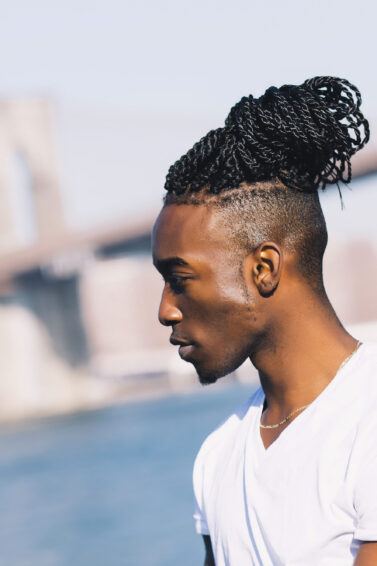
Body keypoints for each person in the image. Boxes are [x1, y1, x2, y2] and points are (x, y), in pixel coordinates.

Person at [151, 76, 377, 565]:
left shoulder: (369, 421)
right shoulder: (217, 456)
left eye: (181, 278)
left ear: (264, 269)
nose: (165, 309)